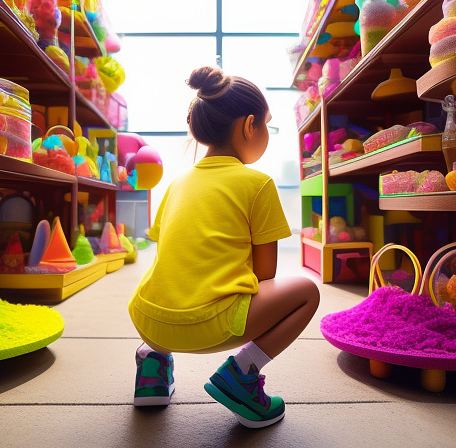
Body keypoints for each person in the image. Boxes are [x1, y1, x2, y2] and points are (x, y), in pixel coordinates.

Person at [128, 66, 320, 428]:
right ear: (249, 126)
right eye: (267, 125)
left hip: (150, 322)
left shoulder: (176, 184)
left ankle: (152, 366)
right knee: (307, 292)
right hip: (217, 328)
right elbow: (265, 276)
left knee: (170, 281)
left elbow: (171, 258)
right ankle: (243, 373)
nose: (266, 133)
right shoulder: (258, 183)